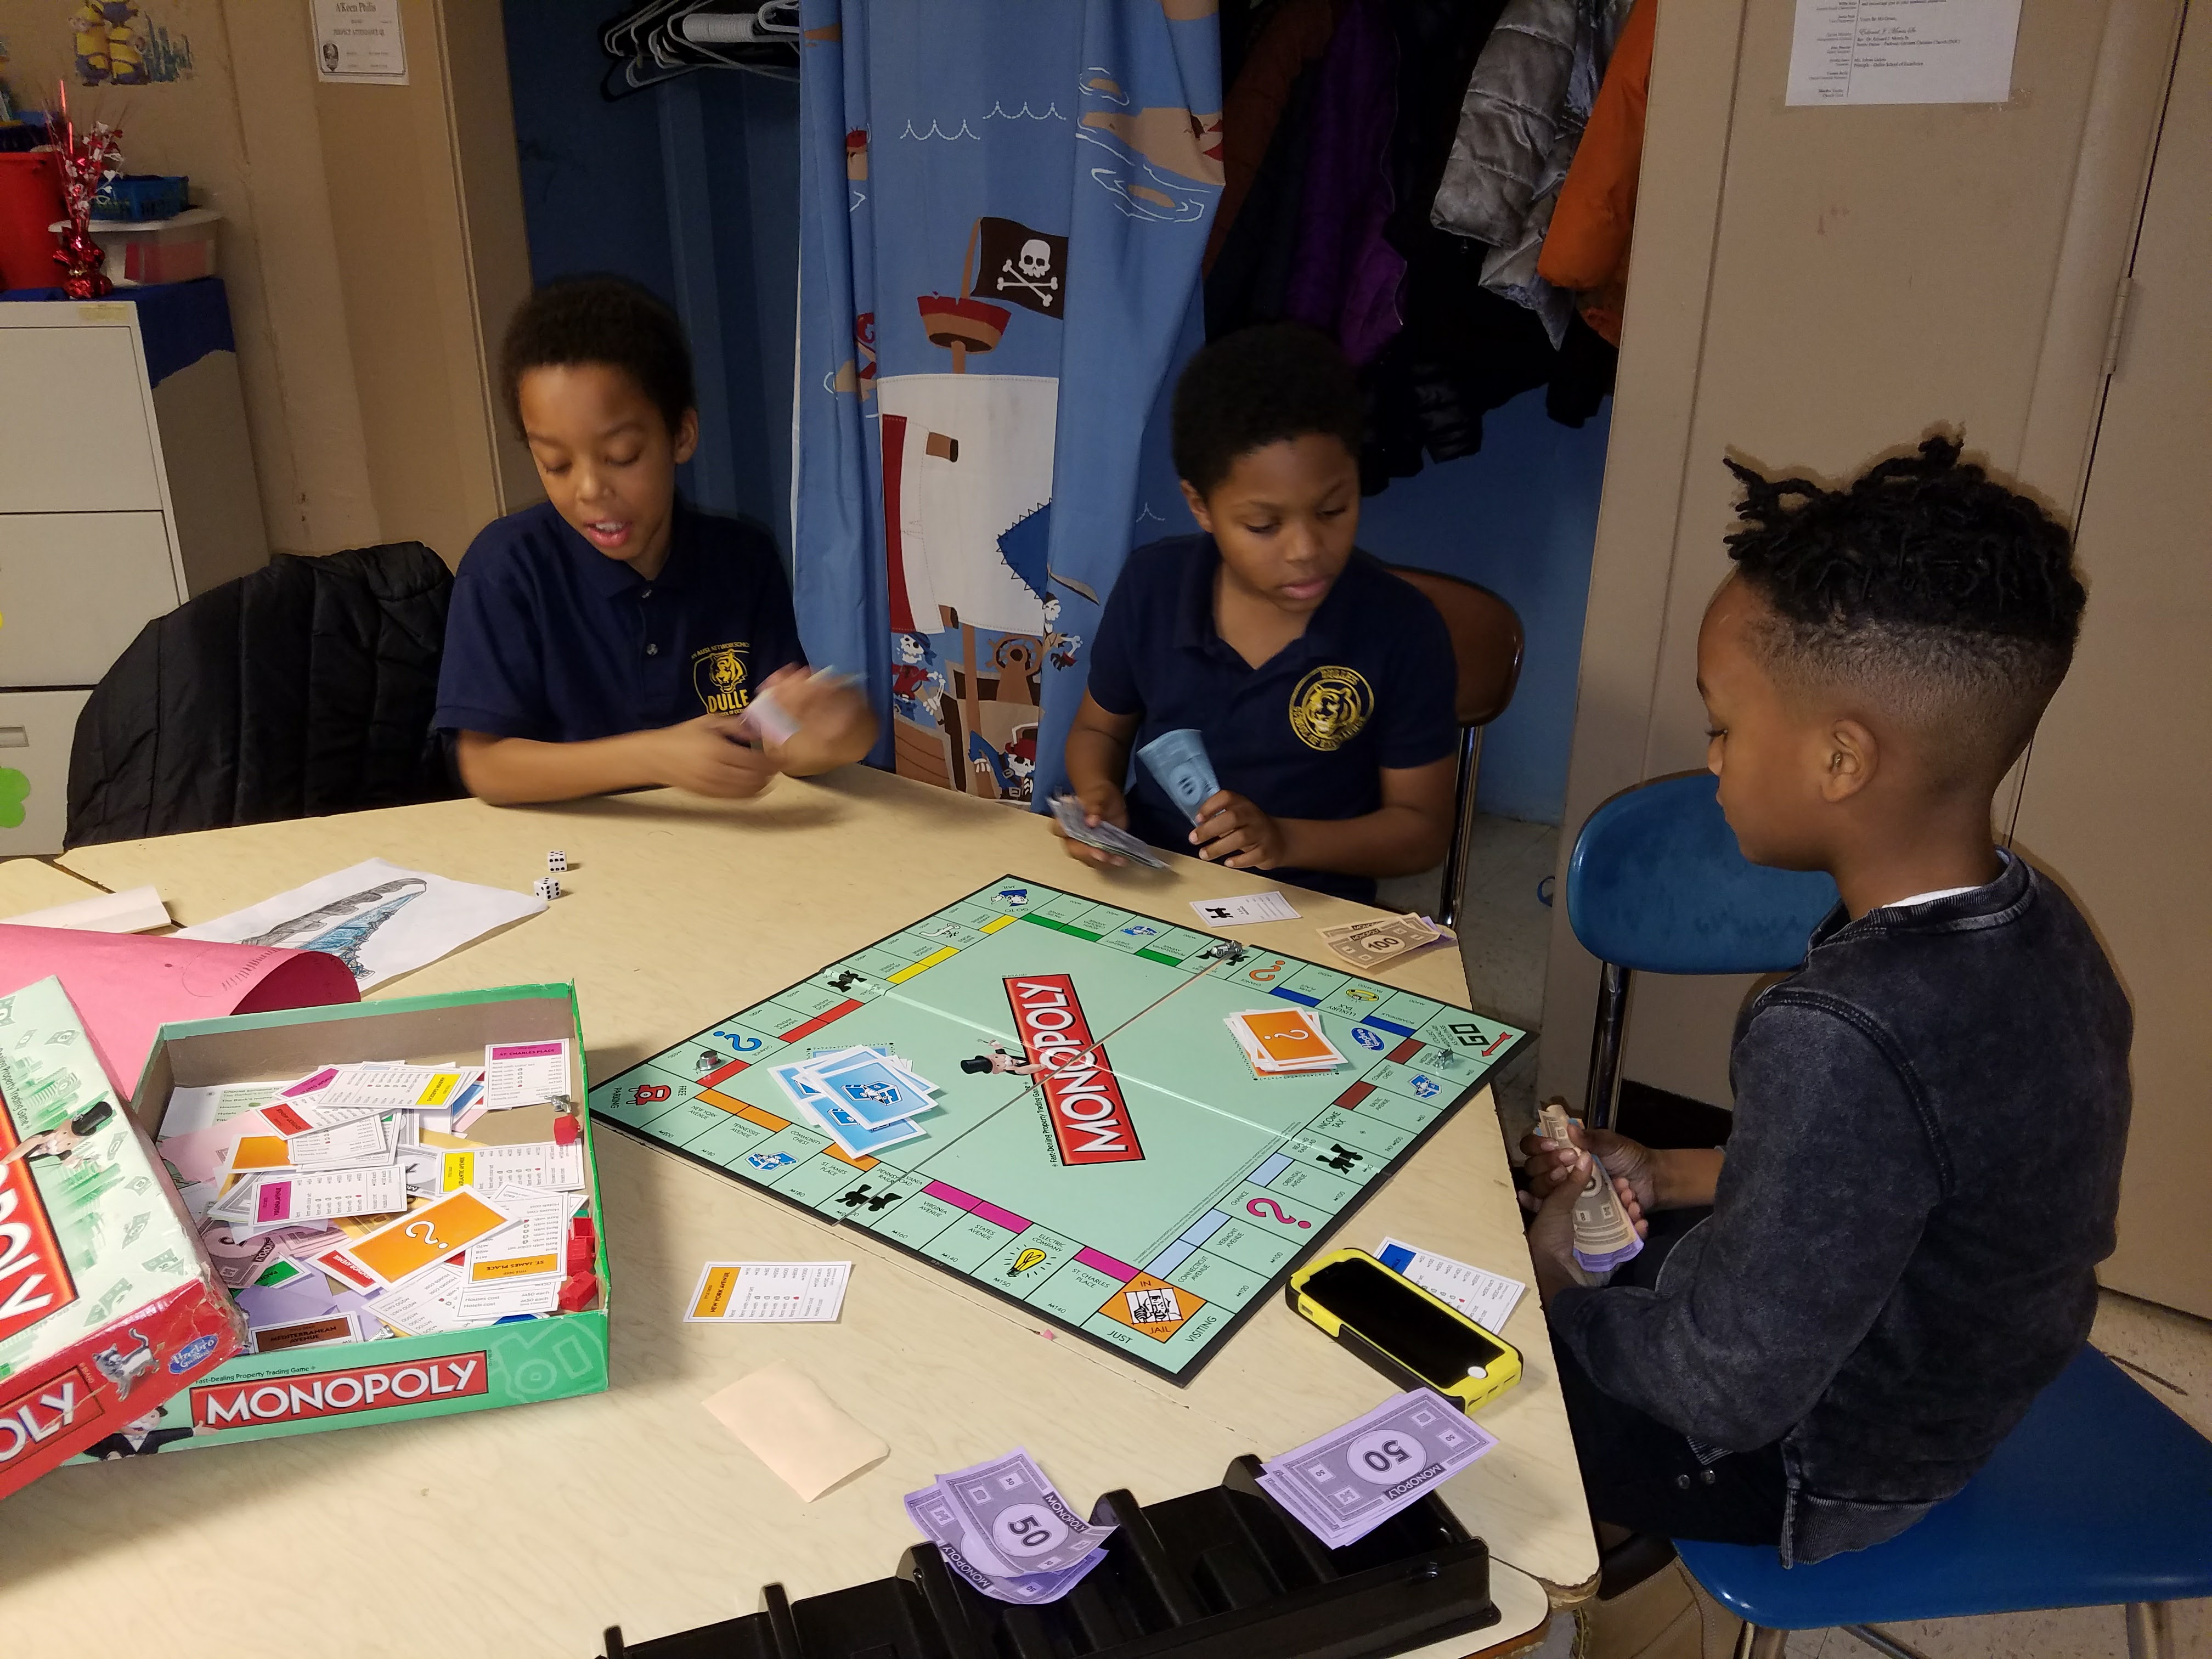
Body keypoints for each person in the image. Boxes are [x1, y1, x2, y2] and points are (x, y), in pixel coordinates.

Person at [1521, 437, 2130, 1568]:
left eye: (1724, 725)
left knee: (1439, 1357)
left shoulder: (1841, 1032)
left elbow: (1726, 1384)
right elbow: (1892, 1182)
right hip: (1955, 1380)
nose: (1711, 760)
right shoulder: (2035, 926)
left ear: (1841, 760)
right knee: (1597, 1259)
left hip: (1824, 1465)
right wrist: (1671, 1169)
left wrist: (1546, 1298)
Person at [1058, 324, 1458, 902]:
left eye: (1333, 509)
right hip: (1158, 887)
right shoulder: (1154, 587)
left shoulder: (1401, 628)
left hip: (1312, 907)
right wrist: (1098, 792)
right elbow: (1099, 727)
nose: (1305, 550)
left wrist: (1284, 842)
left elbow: (1421, 832)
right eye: (1264, 526)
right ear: (1200, 506)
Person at [436, 277, 875, 804]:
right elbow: (486, 767)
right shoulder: (506, 567)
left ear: (681, 435)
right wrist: (653, 755)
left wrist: (835, 733)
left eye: (622, 456)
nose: (590, 490)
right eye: (555, 464)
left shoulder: (742, 560)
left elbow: (778, 736)